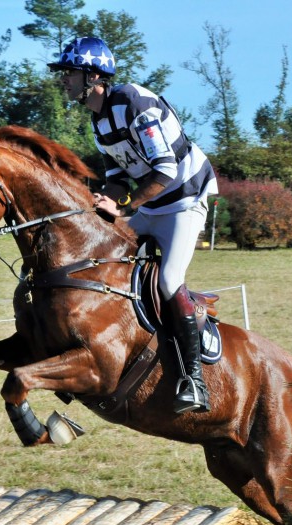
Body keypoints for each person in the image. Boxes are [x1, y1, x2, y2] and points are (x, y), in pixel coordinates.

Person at [49, 36, 219, 414]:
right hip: (151, 204)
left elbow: (165, 169)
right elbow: (117, 177)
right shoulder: (98, 120)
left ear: (93, 75)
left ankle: (194, 380)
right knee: (97, 261)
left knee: (168, 280)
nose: (64, 80)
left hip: (185, 201)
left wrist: (122, 207)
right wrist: (99, 202)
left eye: (69, 73)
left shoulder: (133, 102)